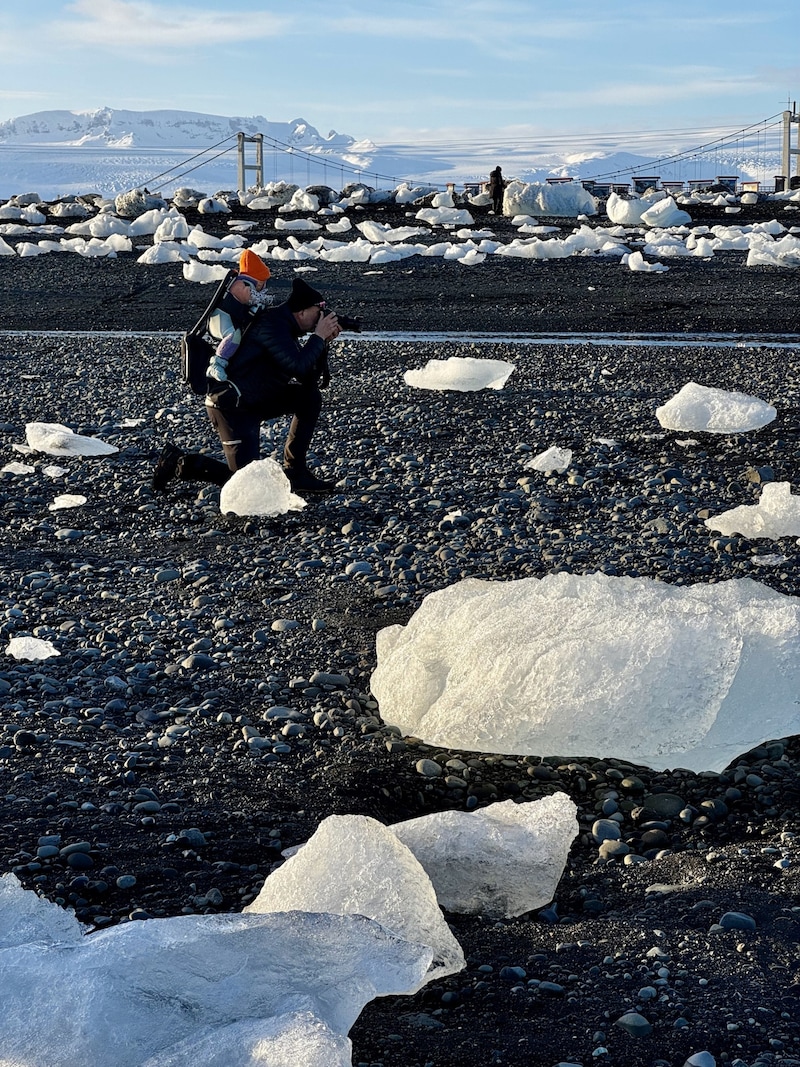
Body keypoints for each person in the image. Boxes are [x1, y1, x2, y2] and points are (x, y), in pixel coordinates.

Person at [153, 277, 340, 495]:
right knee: (245, 484)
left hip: (257, 398)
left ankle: (296, 472)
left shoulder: (287, 328)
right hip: (231, 406)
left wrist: (322, 342)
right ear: (301, 312)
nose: (321, 318)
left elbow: (308, 377)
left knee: (309, 397)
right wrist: (318, 337)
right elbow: (297, 366)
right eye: (319, 312)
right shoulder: (272, 325)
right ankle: (178, 463)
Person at [206, 248, 272, 382]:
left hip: (227, 318)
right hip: (221, 319)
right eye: (261, 283)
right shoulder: (241, 285)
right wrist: (267, 299)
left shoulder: (240, 283)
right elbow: (251, 297)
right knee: (233, 335)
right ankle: (216, 364)